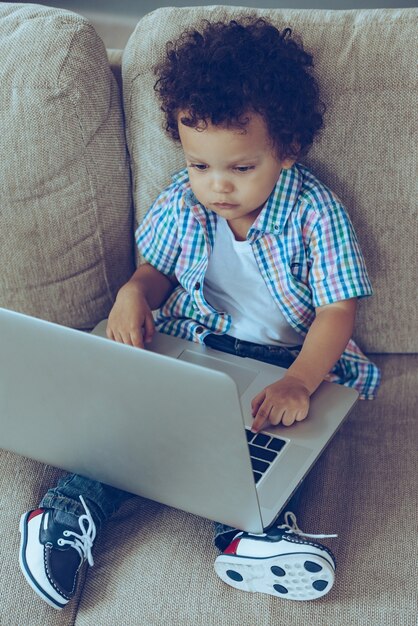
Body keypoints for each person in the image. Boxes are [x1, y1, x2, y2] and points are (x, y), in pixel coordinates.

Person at [19, 17, 380, 609]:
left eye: (240, 168)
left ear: (285, 149)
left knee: (267, 451)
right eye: (199, 165)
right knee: (131, 431)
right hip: (200, 345)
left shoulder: (317, 213)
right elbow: (154, 271)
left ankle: (249, 539)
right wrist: (133, 294)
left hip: (287, 362)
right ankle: (66, 514)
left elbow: (337, 312)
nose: (217, 187)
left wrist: (298, 381)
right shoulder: (183, 203)